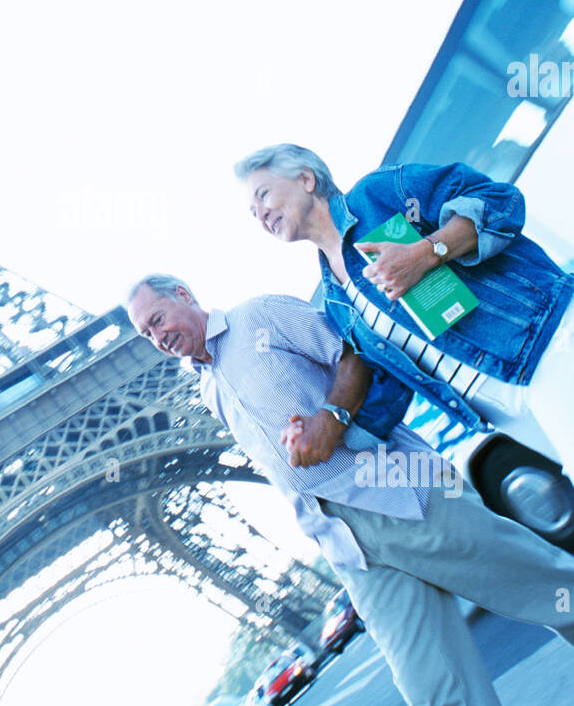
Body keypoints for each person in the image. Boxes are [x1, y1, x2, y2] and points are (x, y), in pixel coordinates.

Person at [126, 273, 574, 706]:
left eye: (157, 318)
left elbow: (357, 351)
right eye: (143, 334)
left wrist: (330, 420)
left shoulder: (262, 315)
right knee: (440, 705)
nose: (156, 336)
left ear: (183, 293)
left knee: (550, 588)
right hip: (348, 548)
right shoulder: (207, 388)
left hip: (404, 495)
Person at [233, 144, 574, 476]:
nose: (260, 214)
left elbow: (499, 201)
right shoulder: (335, 300)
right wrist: (328, 427)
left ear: (306, 179)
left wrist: (427, 252)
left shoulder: (377, 195)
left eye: (263, 195)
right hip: (499, 410)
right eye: (252, 212)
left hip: (543, 345)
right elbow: (391, 379)